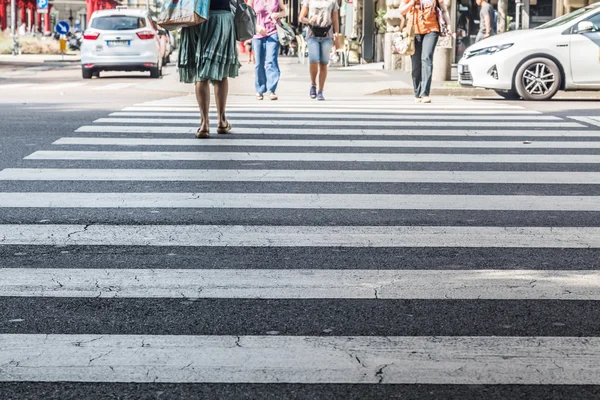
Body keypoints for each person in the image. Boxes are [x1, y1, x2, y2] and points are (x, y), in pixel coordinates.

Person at [178, 0, 241, 138]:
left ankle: (204, 123)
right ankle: (221, 120)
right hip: (220, 16)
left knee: (200, 68)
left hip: (194, 16)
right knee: (220, 68)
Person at [400, 0, 452, 104]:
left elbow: (444, 9)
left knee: (427, 58)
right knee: (416, 64)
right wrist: (412, 3)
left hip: (432, 29)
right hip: (413, 31)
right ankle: (417, 92)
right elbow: (402, 11)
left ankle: (425, 93)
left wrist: (449, 25)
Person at [299, 0, 339, 101]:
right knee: (314, 60)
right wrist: (309, 20)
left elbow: (335, 19)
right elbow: (301, 18)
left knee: (323, 63)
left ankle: (320, 91)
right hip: (312, 34)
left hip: (327, 35)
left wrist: (337, 36)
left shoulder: (332, 2)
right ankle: (313, 84)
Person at [249, 0, 287, 100]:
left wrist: (277, 14)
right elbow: (246, 13)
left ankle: (272, 90)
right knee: (259, 63)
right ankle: (260, 90)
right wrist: (256, 26)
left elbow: (284, 11)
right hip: (257, 34)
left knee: (271, 60)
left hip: (273, 32)